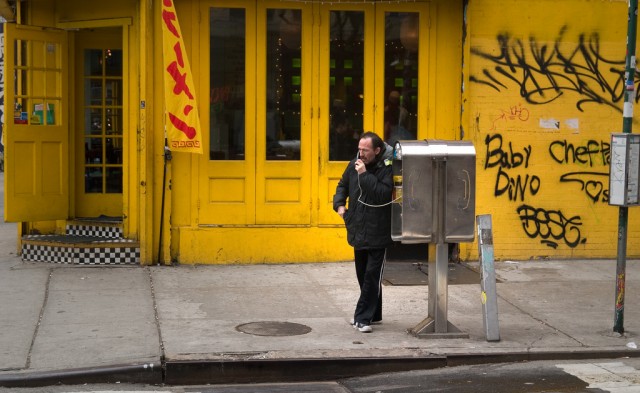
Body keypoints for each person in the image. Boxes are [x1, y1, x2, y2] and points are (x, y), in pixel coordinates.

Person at [333, 131, 393, 333]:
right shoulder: (354, 164)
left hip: (378, 231)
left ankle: (362, 318)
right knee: (362, 274)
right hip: (358, 227)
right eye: (359, 149)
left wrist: (364, 175)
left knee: (372, 276)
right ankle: (374, 314)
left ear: (377, 151)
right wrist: (340, 205)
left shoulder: (386, 168)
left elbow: (381, 194)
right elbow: (342, 185)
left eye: (365, 151)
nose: (361, 154)